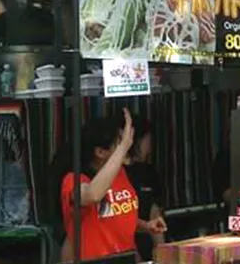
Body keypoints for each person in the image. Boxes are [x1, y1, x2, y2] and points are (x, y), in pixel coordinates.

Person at [58, 109, 165, 261]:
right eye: (119, 143)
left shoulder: (120, 173)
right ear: (100, 152)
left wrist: (146, 226)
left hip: (125, 257)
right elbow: (92, 195)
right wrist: (123, 148)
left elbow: (115, 217)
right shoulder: (74, 180)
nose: (127, 148)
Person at [125, 116, 166, 262]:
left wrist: (161, 249)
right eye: (147, 141)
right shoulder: (116, 174)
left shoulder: (148, 172)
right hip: (124, 247)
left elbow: (155, 211)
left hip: (147, 243)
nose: (149, 147)